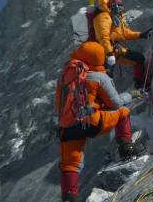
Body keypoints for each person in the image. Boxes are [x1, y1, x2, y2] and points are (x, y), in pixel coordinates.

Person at [56, 41, 139, 202]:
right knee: (123, 112)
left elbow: (58, 107)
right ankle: (126, 149)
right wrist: (132, 94)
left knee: (70, 165)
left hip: (67, 129)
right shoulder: (98, 76)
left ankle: (69, 198)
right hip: (91, 122)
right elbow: (115, 103)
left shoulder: (65, 78)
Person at [92, 0, 153, 91]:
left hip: (115, 49)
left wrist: (141, 35)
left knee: (139, 59)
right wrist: (109, 53)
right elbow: (103, 37)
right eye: (118, 6)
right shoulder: (103, 16)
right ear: (112, 6)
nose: (120, 9)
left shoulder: (115, 17)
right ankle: (107, 98)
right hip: (104, 52)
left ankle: (140, 86)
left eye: (121, 7)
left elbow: (125, 33)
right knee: (107, 76)